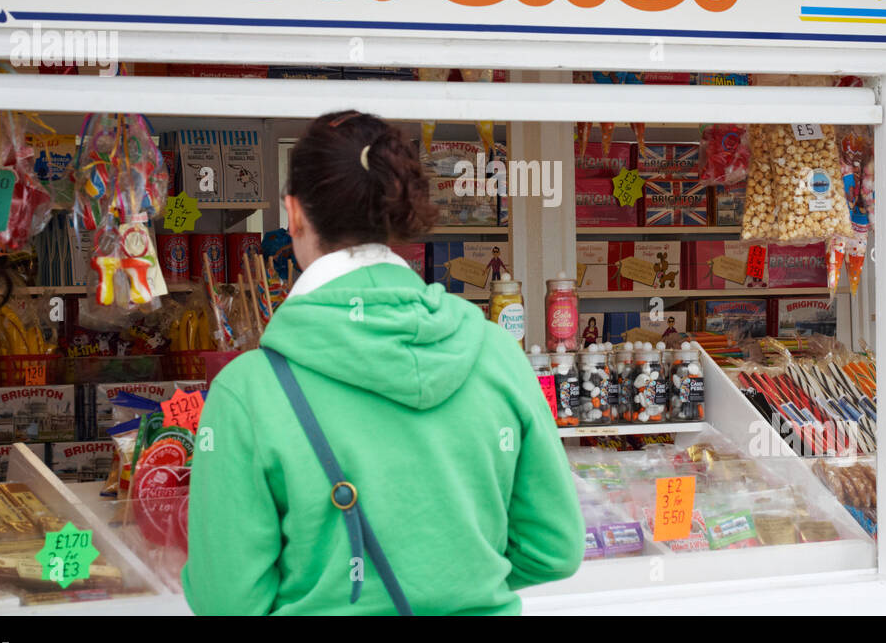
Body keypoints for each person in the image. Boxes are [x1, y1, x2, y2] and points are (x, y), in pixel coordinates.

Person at [182, 110, 584, 615]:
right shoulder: (496, 354)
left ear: (295, 214)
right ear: (399, 208)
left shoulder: (248, 391)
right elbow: (555, 551)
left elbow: (228, 601)